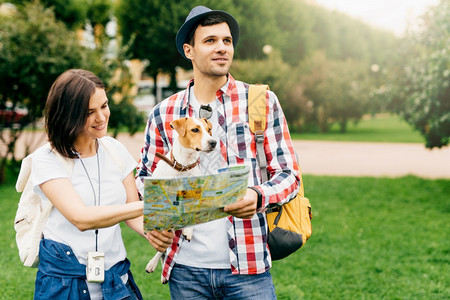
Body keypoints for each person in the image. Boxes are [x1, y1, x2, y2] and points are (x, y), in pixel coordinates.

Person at [136, 6, 300, 299]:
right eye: (210, 41)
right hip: (185, 269)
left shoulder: (261, 101)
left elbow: (289, 176)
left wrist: (258, 196)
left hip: (249, 268)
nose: (222, 48)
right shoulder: (165, 113)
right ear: (189, 50)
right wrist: (154, 222)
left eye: (227, 40)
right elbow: (145, 178)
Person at [31, 69, 173, 299]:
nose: (101, 117)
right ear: (68, 115)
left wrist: (151, 231)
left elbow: (131, 210)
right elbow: (81, 218)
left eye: (104, 106)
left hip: (116, 281)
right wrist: (153, 205)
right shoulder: (46, 159)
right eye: (89, 112)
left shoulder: (114, 150)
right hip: (65, 285)